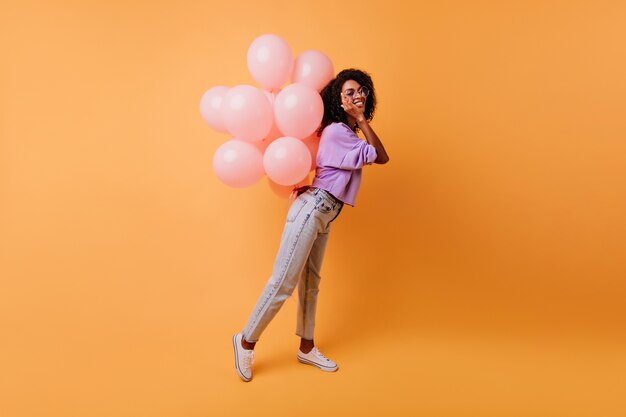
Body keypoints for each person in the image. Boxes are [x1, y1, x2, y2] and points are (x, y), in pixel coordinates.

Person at [232, 68, 389, 382]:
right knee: (284, 282)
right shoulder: (336, 131)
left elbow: (374, 156)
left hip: (325, 212)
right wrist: (360, 120)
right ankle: (246, 340)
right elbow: (380, 156)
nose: (357, 96)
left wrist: (359, 121)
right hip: (315, 208)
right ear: (337, 98)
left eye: (361, 91)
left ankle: (306, 347)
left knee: (311, 283)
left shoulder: (346, 133)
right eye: (349, 92)